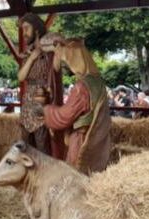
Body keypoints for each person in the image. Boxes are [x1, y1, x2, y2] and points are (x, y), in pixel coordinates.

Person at [36, 35, 111, 174]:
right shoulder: (98, 81)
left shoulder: (82, 87)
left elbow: (64, 116)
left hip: (81, 139)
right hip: (95, 138)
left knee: (75, 173)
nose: (68, 67)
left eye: (68, 62)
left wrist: (45, 109)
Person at [17, 13, 65, 159]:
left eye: (26, 28)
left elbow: (56, 70)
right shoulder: (28, 54)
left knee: (43, 148)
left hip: (42, 105)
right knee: (26, 148)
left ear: (36, 29)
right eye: (23, 29)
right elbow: (21, 77)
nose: (24, 33)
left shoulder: (49, 54)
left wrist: (57, 50)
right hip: (27, 108)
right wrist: (32, 57)